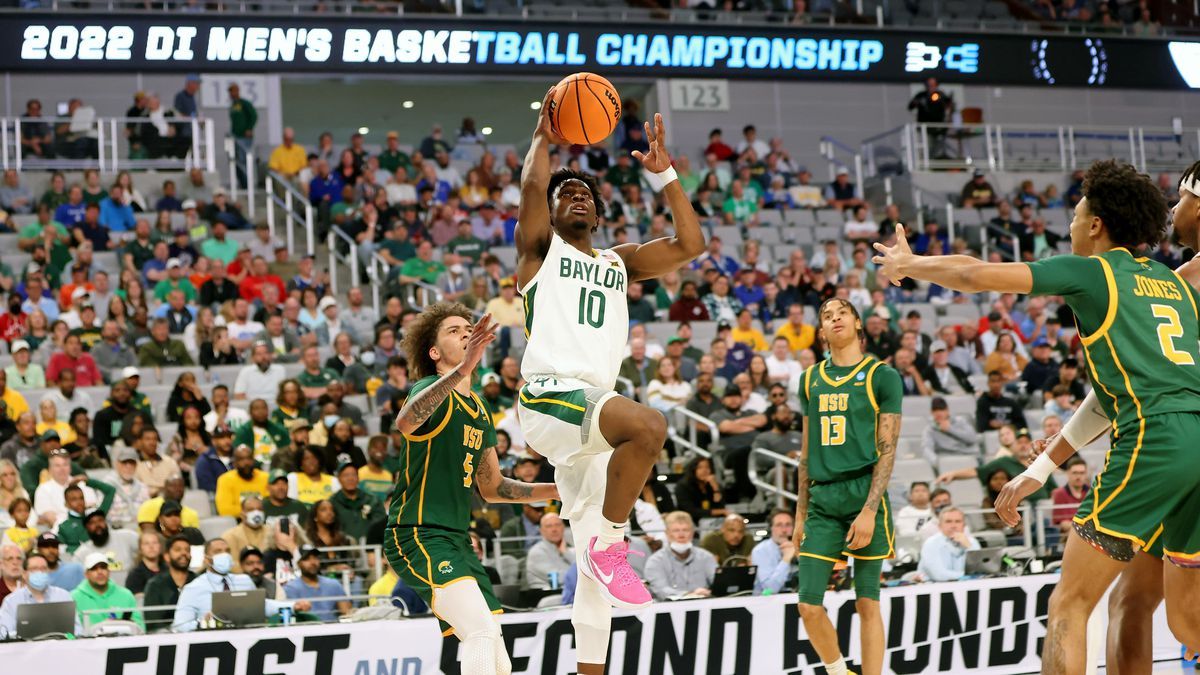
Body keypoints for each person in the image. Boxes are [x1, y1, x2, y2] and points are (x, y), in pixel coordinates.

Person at [875, 159, 1200, 666]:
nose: (1069, 224)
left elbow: (974, 274)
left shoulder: (1091, 272)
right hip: (1195, 435)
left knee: (1070, 601)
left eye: (1075, 214)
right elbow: (1108, 399)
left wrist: (910, 264)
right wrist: (1039, 470)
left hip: (1153, 440)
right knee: (1182, 620)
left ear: (1095, 225)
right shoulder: (1174, 285)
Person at [513, 98, 706, 672]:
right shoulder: (539, 254)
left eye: (586, 196)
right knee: (650, 425)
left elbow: (690, 246)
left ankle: (592, 645)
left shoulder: (618, 263)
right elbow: (529, 191)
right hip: (551, 397)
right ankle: (611, 542)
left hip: (592, 419)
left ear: (597, 216)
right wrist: (543, 141)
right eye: (564, 195)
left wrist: (666, 176)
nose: (577, 197)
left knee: (596, 591)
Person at [388, 302, 559, 675]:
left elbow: (495, 487)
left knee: (497, 653)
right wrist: (463, 369)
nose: (465, 332)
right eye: (453, 331)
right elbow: (406, 421)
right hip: (417, 532)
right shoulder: (429, 388)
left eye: (469, 328)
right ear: (434, 353)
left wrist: (558, 488)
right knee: (481, 633)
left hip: (457, 540)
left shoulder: (480, 410)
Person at [793, 298, 901, 675]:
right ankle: (839, 672)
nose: (834, 318)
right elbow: (806, 454)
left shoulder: (882, 376)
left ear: (858, 323)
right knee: (808, 605)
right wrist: (799, 515)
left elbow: (888, 450)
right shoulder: (809, 380)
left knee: (867, 603)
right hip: (822, 499)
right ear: (821, 331)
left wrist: (870, 509)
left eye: (841, 313)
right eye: (825, 315)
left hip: (864, 494)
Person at [173, 538, 305, 632]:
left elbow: (261, 606)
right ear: (207, 559)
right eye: (218, 551)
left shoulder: (244, 580)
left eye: (227, 551)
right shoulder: (193, 589)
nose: (224, 554)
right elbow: (179, 625)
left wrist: (292, 606)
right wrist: (202, 624)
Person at [0, 551, 80, 637]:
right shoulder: (11, 601)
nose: (40, 572)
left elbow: (77, 629)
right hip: (25, 648)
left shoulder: (63, 596)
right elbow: (4, 633)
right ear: (24, 574)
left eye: (43, 568)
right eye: (34, 569)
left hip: (60, 647)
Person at [643, 510, 716, 601]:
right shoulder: (655, 561)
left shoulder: (706, 557)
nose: (681, 535)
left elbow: (718, 583)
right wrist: (689, 594)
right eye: (676, 530)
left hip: (705, 605)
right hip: (669, 609)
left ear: (692, 533)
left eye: (685, 530)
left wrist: (710, 592)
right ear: (667, 533)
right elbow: (660, 590)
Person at [71, 552, 143, 632]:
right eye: (94, 568)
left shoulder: (126, 595)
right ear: (86, 574)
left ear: (109, 571)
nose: (100, 572)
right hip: (88, 643)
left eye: (103, 567)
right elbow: (72, 631)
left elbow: (139, 626)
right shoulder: (73, 598)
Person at [284, 544, 350, 622]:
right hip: (305, 631)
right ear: (298, 563)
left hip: (334, 629)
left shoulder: (334, 584)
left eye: (315, 558)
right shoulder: (291, 588)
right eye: (307, 559)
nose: (313, 562)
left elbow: (346, 613)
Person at [142, 534, 196, 630]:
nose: (184, 553)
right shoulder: (155, 585)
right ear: (167, 556)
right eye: (178, 550)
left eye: (187, 550)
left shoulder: (198, 582)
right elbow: (153, 623)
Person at [921, 396, 981, 468]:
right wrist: (937, 463)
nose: (938, 413)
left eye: (941, 410)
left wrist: (950, 429)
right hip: (947, 461)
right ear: (931, 412)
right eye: (935, 410)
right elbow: (927, 449)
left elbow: (972, 439)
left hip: (968, 456)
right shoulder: (929, 430)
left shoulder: (960, 421)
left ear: (947, 410)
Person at [214, 445, 268, 518]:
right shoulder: (225, 479)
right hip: (237, 522)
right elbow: (224, 510)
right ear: (234, 463)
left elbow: (271, 505)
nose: (246, 463)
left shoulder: (265, 477)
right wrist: (254, 511)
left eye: (249, 458)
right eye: (241, 459)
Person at [752, 509, 797, 595]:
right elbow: (770, 589)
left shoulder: (801, 549)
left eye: (788, 525)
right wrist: (786, 559)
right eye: (779, 525)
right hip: (766, 604)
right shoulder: (760, 551)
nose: (784, 530)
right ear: (771, 528)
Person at [525, 512, 573, 590]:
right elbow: (559, 578)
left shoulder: (571, 547)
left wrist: (566, 553)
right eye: (549, 526)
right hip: (545, 595)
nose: (554, 529)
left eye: (557, 525)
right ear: (541, 530)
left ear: (563, 527)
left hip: (569, 592)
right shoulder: (536, 552)